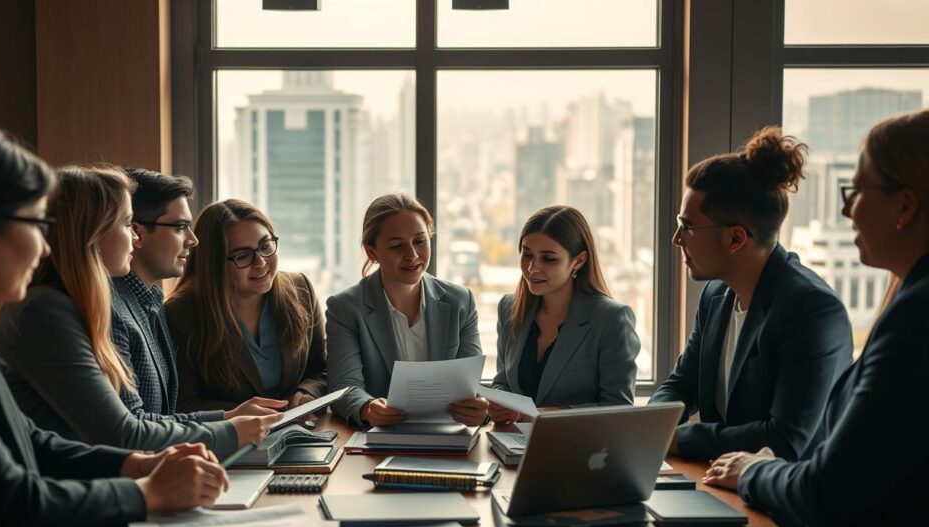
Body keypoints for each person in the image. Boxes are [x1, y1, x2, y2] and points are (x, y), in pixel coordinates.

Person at [0, 117, 229, 527]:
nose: (45, 244)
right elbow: (12, 504)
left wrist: (133, 463)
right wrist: (147, 494)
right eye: (38, 223)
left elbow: (30, 441)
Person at [703, 109, 929, 527]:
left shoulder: (914, 322)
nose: (846, 210)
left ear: (905, 206)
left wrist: (751, 470)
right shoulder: (908, 304)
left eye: (856, 192)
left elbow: (829, 488)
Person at [0, 165, 280, 461]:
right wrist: (230, 430)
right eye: (127, 224)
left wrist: (226, 418)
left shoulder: (121, 299)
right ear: (94, 232)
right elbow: (123, 433)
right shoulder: (49, 311)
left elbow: (146, 419)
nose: (134, 237)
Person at [649, 127, 852, 462]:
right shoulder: (716, 294)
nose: (676, 238)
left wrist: (678, 439)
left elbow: (785, 440)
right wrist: (649, 427)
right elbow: (682, 385)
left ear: (736, 239)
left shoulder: (812, 311)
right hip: (725, 484)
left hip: (785, 505)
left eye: (687, 226)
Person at [114, 168, 286, 422]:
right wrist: (228, 421)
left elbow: (160, 415)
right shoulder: (118, 311)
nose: (193, 240)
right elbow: (133, 428)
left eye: (265, 246)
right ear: (137, 233)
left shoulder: (151, 299)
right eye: (180, 227)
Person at [326, 192, 487, 427]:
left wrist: (479, 410)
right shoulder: (345, 308)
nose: (412, 255)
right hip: (379, 439)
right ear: (372, 252)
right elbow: (344, 387)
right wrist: (367, 408)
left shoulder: (460, 301)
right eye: (396, 245)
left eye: (420, 241)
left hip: (448, 435)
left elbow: (471, 387)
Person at [166, 199, 328, 411]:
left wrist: (307, 391)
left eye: (265, 246)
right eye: (242, 256)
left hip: (299, 433)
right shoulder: (180, 314)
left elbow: (321, 370)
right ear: (214, 264)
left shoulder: (301, 289)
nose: (260, 262)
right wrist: (239, 414)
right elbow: (183, 404)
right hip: (226, 440)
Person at [488, 206, 639, 423]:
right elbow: (503, 383)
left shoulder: (611, 319)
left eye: (548, 259)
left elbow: (618, 406)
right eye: (527, 254)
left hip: (579, 449)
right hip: (511, 447)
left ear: (578, 260)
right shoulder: (509, 308)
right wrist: (495, 405)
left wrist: (535, 415)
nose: (532, 268)